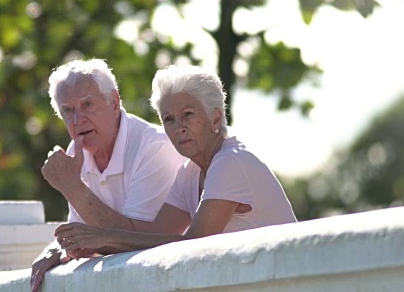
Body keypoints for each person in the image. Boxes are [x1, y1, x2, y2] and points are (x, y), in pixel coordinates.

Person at [54, 64, 297, 256]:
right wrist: (92, 244)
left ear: (215, 118)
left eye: (188, 115)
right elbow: (154, 236)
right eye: (168, 119)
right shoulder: (190, 171)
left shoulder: (231, 162)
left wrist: (102, 238)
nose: (178, 127)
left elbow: (194, 243)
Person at [30, 59, 185, 292]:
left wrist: (72, 187)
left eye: (87, 104)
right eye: (68, 110)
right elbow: (82, 237)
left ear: (114, 102)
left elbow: (136, 242)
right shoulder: (75, 152)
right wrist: (59, 248)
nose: (77, 119)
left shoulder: (153, 147)